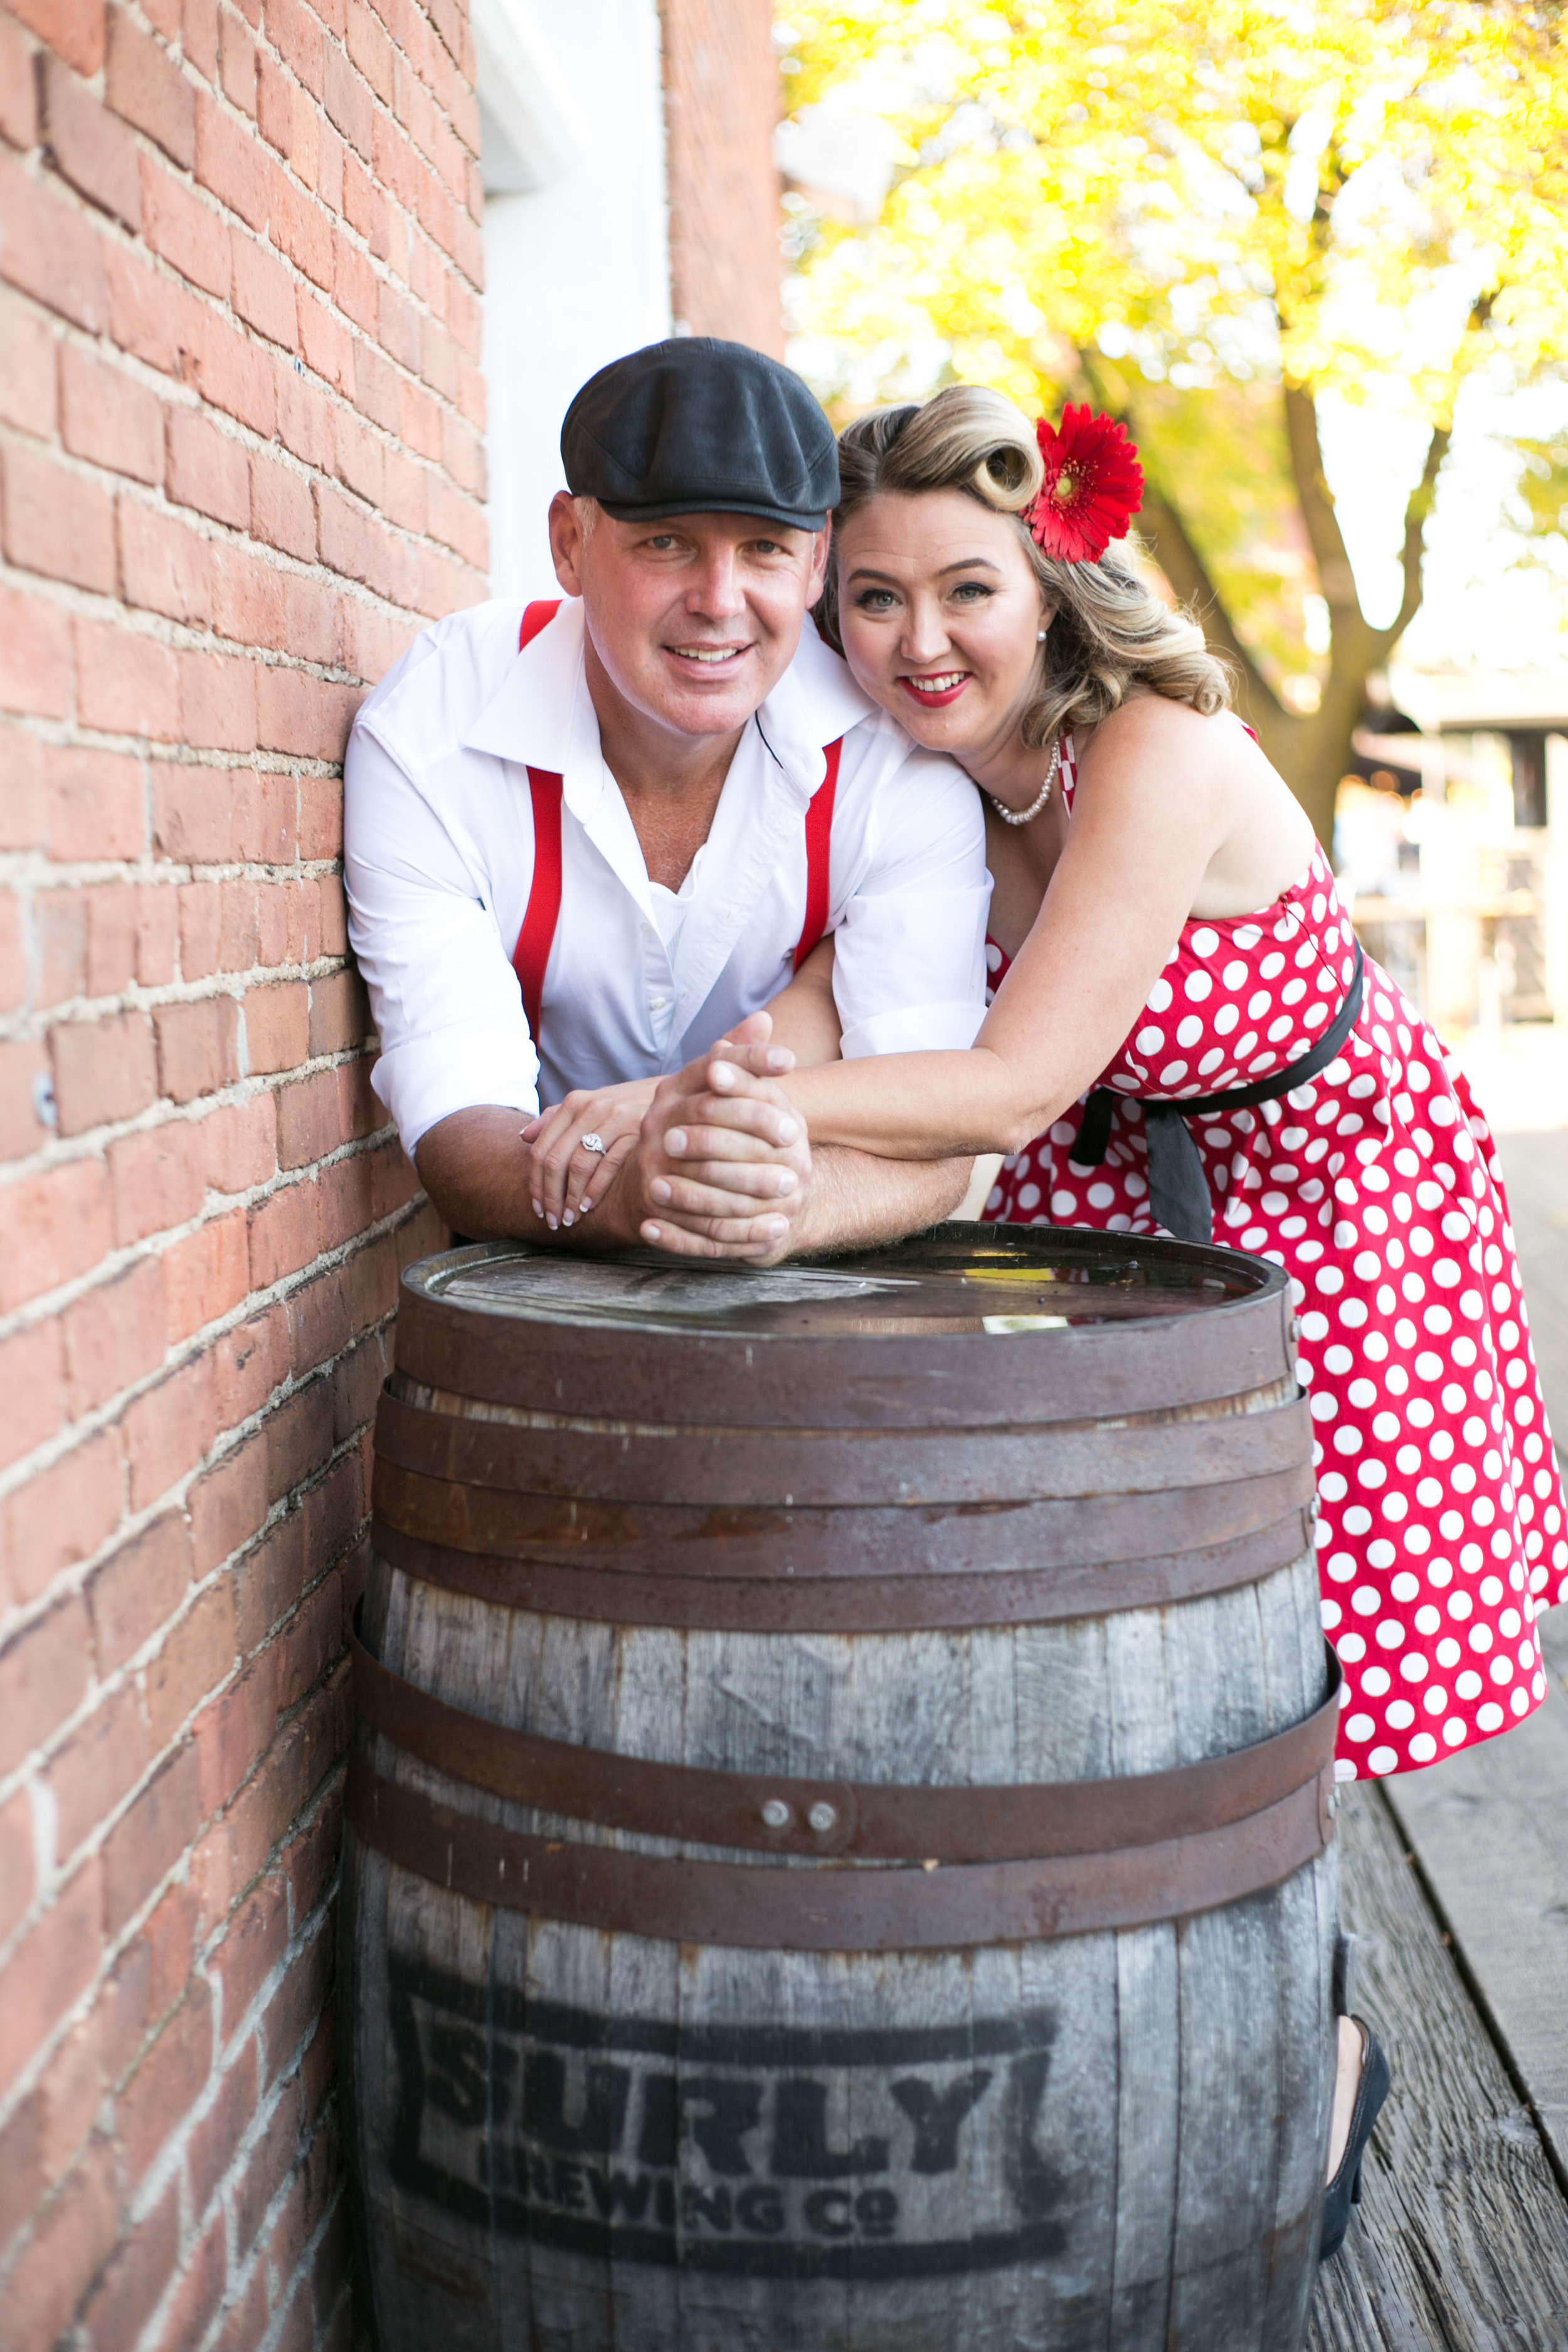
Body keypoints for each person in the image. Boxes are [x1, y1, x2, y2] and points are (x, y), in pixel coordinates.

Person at [527, 383, 1567, 2249]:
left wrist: (696, 1108)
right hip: (1121, 1241)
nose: (918, 641)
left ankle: (1316, 2047)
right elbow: (836, 1016)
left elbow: (1004, 1076)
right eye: (868, 599)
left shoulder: (1152, 748)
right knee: (1136, 1652)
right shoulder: (921, 794)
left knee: (1294, 1676)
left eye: (964, 590)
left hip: (1337, 1212)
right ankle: (1157, 2020)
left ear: (1050, 582)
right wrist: (691, 1090)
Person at [344, 340, 991, 1261]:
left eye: (764, 549)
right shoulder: (434, 732)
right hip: (538, 1295)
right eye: (668, 543)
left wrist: (762, 1212)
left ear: (816, 566)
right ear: (571, 543)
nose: (719, 601)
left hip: (822, 1299)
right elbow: (457, 1125)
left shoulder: (894, 762)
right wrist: (634, 1195)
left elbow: (935, 1141)